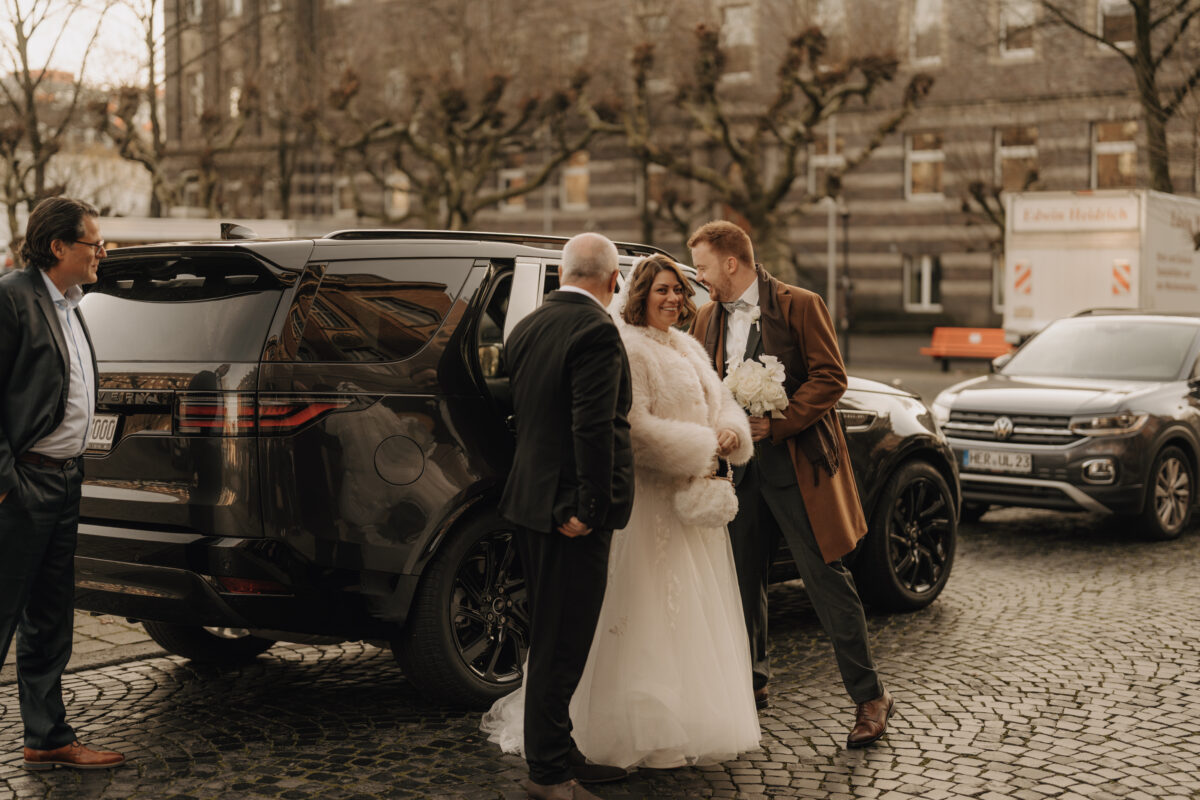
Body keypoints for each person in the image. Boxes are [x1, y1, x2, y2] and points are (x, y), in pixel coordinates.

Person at [483, 255, 760, 771]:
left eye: (679, 290)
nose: (673, 299)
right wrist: (702, 445)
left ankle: (686, 717)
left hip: (690, 509)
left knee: (691, 618)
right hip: (651, 500)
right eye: (662, 290)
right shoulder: (624, 343)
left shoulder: (687, 345)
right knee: (640, 612)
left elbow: (718, 397)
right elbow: (629, 428)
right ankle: (617, 727)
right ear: (634, 291)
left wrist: (730, 431)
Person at [687, 220, 895, 749]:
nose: (700, 277)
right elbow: (705, 386)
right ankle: (750, 686)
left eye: (705, 267)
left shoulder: (801, 304)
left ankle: (870, 697)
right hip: (740, 473)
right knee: (739, 583)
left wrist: (779, 423)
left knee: (826, 579)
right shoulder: (707, 316)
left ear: (731, 262)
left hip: (799, 468)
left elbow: (831, 377)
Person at [497, 232, 634, 800]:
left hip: (531, 503)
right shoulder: (596, 330)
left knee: (551, 636)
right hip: (569, 514)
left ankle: (559, 750)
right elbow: (592, 427)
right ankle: (549, 774)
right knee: (563, 640)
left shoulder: (527, 326)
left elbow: (527, 417)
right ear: (612, 280)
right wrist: (588, 508)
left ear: (559, 276)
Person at [0, 197, 125, 770]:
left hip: (65, 481)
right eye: (92, 243)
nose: (102, 251)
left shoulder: (72, 304)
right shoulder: (11, 297)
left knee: (51, 618)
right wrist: (5, 484)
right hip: (23, 485)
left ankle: (47, 739)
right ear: (58, 247)